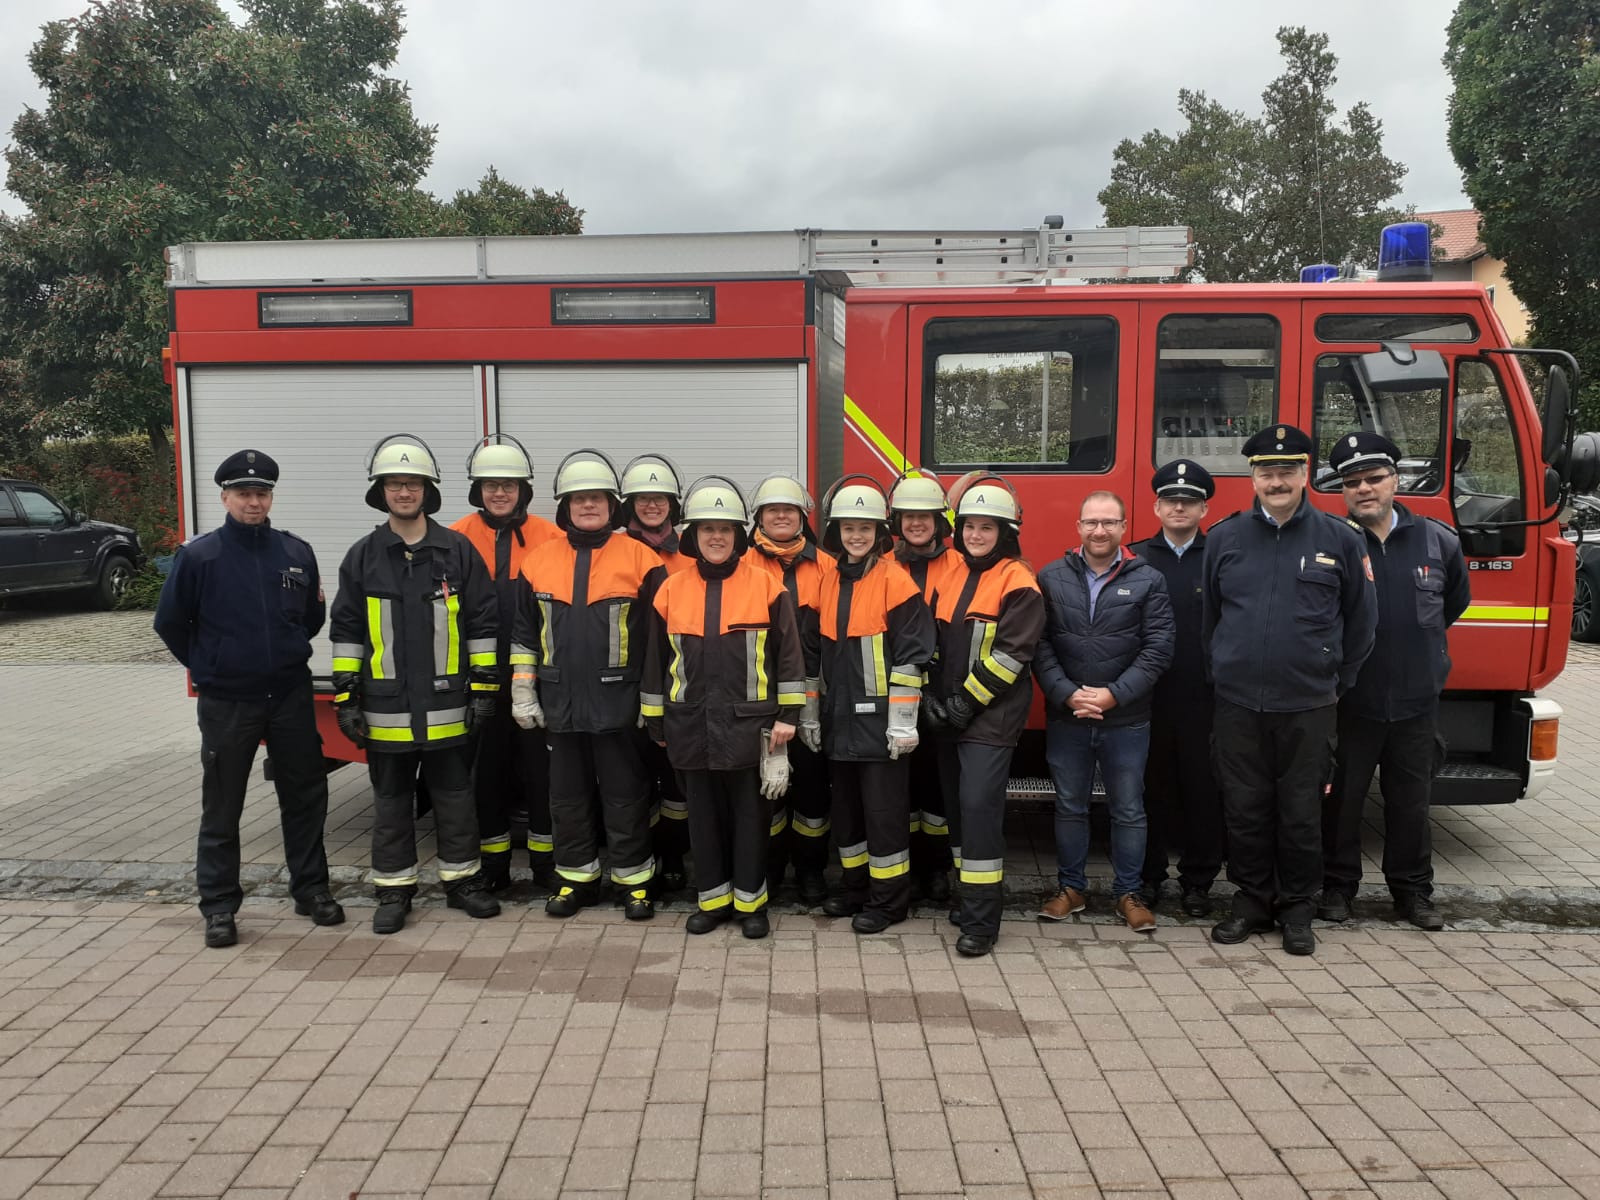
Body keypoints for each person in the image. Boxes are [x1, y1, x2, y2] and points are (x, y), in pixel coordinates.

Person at [154, 450, 344, 949]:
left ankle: (311, 890)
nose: (253, 502)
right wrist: (211, 666)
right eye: (243, 493)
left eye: (261, 493)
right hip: (228, 701)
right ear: (225, 497)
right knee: (223, 806)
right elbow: (170, 623)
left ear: (271, 497)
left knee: (305, 798)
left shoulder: (295, 552)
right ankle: (219, 906)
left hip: (289, 695)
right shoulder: (199, 557)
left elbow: (311, 618)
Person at [1203, 425, 1377, 956]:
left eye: (1286, 471)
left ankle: (1299, 908)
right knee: (1245, 808)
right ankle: (1252, 901)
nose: (1276, 481)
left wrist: (1333, 680)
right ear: (1252, 478)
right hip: (1238, 704)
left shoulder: (1341, 539)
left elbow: (1362, 624)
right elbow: (1211, 618)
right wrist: (1225, 670)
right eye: (1266, 472)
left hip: (1309, 704)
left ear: (1305, 475)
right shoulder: (1225, 538)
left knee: (1301, 811)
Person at [329, 434, 502, 934]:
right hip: (384, 708)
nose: (404, 492)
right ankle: (393, 891)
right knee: (390, 803)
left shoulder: (457, 551)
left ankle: (463, 883)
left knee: (455, 798)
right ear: (380, 492)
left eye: (413, 484)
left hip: (448, 706)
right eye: (394, 484)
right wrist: (347, 697)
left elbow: (483, 623)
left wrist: (484, 690)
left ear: (428, 491)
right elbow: (347, 631)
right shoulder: (363, 557)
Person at [641, 476, 807, 938]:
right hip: (689, 725)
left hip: (750, 729)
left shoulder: (768, 586)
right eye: (707, 529)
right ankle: (712, 902)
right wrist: (655, 720)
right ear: (692, 535)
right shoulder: (670, 588)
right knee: (703, 820)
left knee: (752, 820)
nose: (716, 537)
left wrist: (788, 717)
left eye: (725, 529)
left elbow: (789, 659)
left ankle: (752, 904)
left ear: (739, 534)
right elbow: (654, 661)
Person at [1318, 432, 1470, 930]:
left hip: (1415, 702)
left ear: (1394, 480)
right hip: (1352, 701)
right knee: (1343, 803)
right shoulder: (1334, 541)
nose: (1364, 489)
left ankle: (1412, 893)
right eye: (1352, 482)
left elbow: (1453, 603)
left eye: (1374, 478)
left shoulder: (1438, 540)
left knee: (1411, 804)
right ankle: (1337, 888)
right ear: (1343, 491)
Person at [510, 449, 668, 920]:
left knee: (626, 796)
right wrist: (523, 690)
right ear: (565, 506)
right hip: (560, 704)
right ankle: (575, 880)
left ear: (612, 505)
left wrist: (651, 701)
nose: (588, 506)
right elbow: (525, 634)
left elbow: (658, 642)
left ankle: (635, 882)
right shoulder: (537, 561)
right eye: (579, 499)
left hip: (620, 703)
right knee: (567, 798)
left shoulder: (641, 559)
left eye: (597, 498)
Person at [1035, 490, 1174, 933]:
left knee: (1129, 809)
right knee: (1069, 807)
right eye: (1092, 522)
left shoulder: (1149, 579)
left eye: (1109, 522)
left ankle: (1128, 894)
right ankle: (1070, 889)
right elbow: (1039, 644)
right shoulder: (1051, 576)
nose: (1100, 530)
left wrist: (1114, 695)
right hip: (1068, 716)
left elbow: (1158, 649)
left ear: (1124, 527)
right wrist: (1067, 694)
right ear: (1078, 527)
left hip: (1126, 719)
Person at [926, 474, 1045, 957]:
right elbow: (936, 645)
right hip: (949, 715)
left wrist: (962, 703)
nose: (975, 535)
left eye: (986, 527)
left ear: (1006, 533)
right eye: (970, 526)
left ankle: (982, 920)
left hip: (990, 719)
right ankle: (967, 896)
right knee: (957, 810)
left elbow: (1012, 657)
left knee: (977, 810)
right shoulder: (952, 573)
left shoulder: (1019, 582)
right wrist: (932, 698)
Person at [815, 475, 936, 932]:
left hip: (882, 729)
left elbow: (912, 656)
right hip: (838, 723)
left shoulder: (895, 581)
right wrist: (810, 714)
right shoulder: (828, 580)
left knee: (884, 820)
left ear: (880, 533)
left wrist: (903, 722)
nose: (856, 536)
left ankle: (889, 903)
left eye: (865, 528)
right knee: (847, 817)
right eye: (848, 528)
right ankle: (856, 891)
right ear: (836, 532)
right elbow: (814, 653)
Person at [450, 435, 561, 892]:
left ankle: (545, 866)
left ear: (523, 490)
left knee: (541, 777)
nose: (499, 493)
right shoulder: (455, 538)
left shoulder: (550, 537)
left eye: (508, 485)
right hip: (480, 682)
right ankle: (493, 869)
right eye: (491, 485)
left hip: (535, 680)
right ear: (477, 490)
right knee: (488, 776)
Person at [1128, 459, 1226, 917]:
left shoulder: (1221, 558)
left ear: (1204, 509)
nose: (1179, 507)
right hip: (1147, 698)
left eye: (1189, 501)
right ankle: (1148, 878)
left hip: (1205, 698)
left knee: (1203, 792)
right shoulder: (1134, 558)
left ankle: (1198, 883)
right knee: (1150, 791)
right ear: (1157, 507)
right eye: (1171, 500)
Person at [744, 474, 832, 906]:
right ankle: (771, 871)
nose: (781, 516)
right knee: (768, 794)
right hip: (761, 702)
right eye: (772, 510)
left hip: (813, 705)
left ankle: (811, 872)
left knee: (812, 796)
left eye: (789, 510)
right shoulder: (740, 564)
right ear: (758, 517)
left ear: (803, 517)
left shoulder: (828, 567)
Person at [619, 453, 695, 894]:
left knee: (675, 778)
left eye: (660, 498)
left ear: (673, 504)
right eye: (643, 499)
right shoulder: (612, 550)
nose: (651, 505)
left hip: (674, 683)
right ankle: (640, 859)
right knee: (635, 779)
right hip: (622, 683)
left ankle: (673, 858)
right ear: (629, 503)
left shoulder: (689, 554)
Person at [890, 468, 966, 903]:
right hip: (895, 695)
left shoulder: (960, 565)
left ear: (940, 522)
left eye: (925, 516)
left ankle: (936, 868)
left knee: (938, 790)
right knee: (899, 788)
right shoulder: (882, 565)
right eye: (908, 516)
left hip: (942, 696)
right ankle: (904, 870)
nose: (916, 523)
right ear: (896, 521)